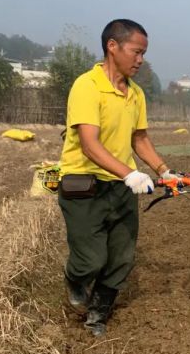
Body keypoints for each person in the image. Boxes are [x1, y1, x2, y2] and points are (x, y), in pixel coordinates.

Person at [58, 19, 178, 336]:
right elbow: (89, 144)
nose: (140, 60)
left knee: (122, 257)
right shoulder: (87, 85)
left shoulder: (135, 94)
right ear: (113, 46)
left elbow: (139, 139)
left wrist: (164, 170)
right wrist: (131, 174)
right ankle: (75, 278)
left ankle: (98, 314)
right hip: (84, 186)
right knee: (91, 261)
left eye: (144, 54)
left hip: (121, 188)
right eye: (136, 52)